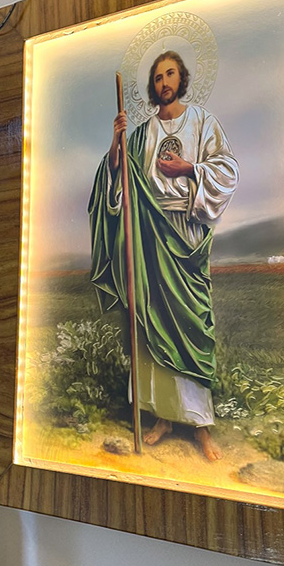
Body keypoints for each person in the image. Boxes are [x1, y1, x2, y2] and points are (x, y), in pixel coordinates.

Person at [88, 50, 238, 460]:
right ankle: (162, 417)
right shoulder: (140, 134)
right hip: (149, 235)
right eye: (157, 77)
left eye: (170, 74)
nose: (164, 82)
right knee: (152, 324)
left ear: (182, 79)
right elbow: (117, 178)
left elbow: (227, 169)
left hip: (185, 232)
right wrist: (116, 141)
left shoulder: (203, 122)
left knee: (192, 324)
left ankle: (200, 424)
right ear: (153, 87)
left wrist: (189, 169)